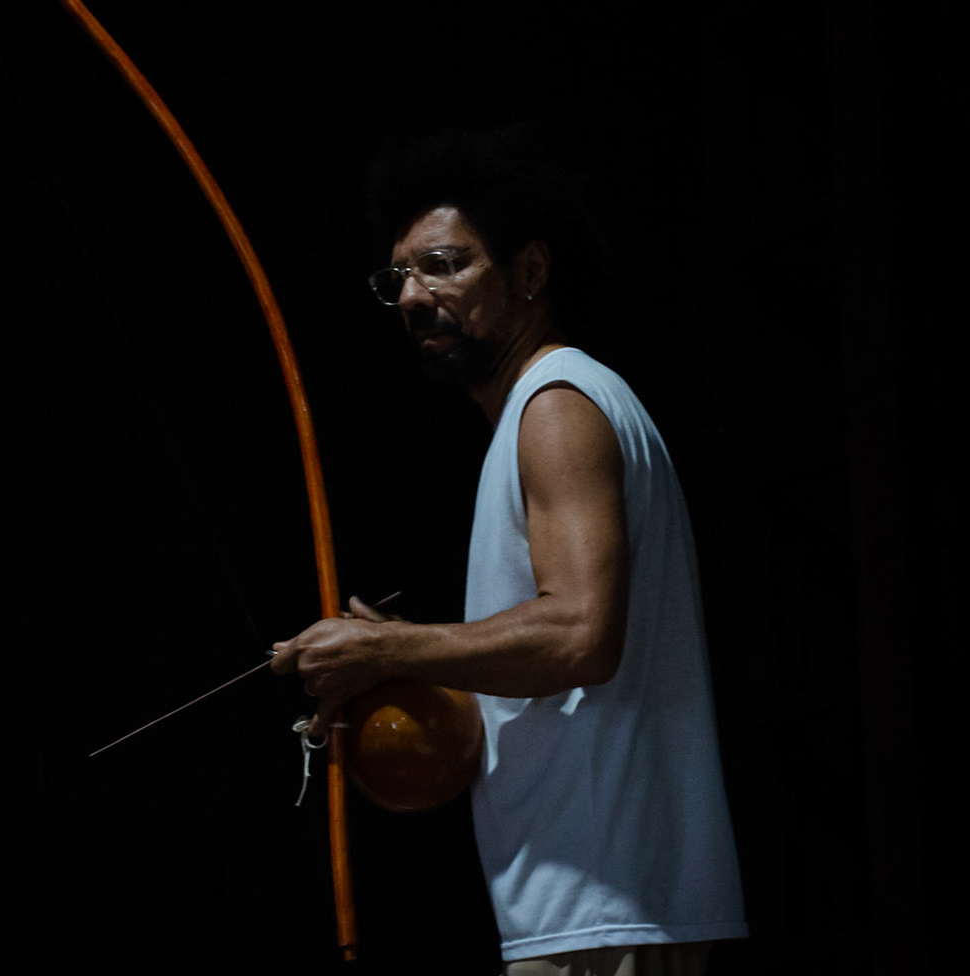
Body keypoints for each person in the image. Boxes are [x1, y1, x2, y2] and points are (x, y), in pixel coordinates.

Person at [271, 129, 747, 975]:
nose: (413, 296)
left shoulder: (556, 404)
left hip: (606, 905)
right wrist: (406, 662)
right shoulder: (547, 407)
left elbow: (580, 637)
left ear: (529, 270)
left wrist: (388, 651)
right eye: (397, 278)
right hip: (592, 902)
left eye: (444, 266)